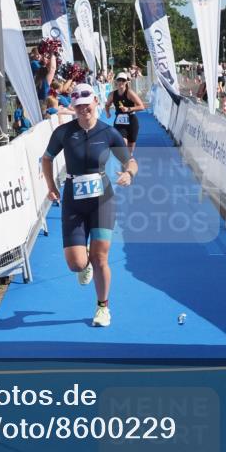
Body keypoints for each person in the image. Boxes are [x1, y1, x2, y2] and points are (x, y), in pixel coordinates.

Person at [40, 83, 138, 328]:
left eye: (88, 104)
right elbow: (47, 158)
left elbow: (131, 162)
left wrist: (129, 174)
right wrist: (51, 186)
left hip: (102, 200)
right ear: (74, 107)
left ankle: (103, 307)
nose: (84, 109)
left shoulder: (109, 133)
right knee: (76, 264)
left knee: (100, 257)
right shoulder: (64, 132)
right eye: (79, 106)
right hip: (73, 201)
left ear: (96, 102)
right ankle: (83, 265)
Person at [105, 72, 145, 156]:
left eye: (123, 80)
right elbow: (107, 104)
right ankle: (123, 162)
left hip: (131, 121)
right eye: (119, 80)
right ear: (116, 81)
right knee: (122, 144)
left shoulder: (129, 93)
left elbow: (141, 106)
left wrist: (129, 109)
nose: (121, 82)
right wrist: (107, 113)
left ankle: (128, 160)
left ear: (126, 82)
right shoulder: (112, 94)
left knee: (130, 149)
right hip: (119, 122)